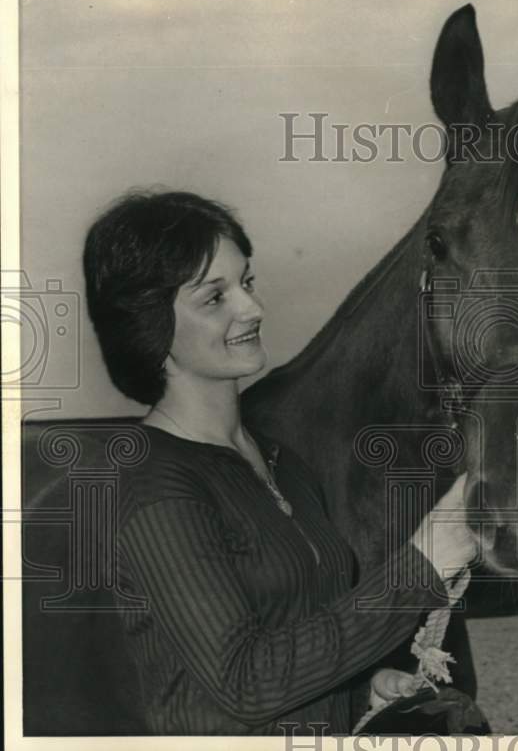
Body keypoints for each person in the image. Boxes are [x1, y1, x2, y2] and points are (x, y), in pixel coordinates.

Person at [83, 190, 475, 735]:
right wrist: (424, 563)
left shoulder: (280, 462)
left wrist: (359, 687)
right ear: (150, 328)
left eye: (246, 282)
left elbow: (295, 631)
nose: (254, 308)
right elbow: (246, 682)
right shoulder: (153, 486)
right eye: (214, 298)